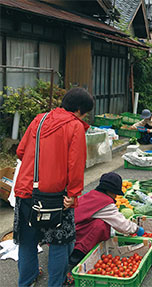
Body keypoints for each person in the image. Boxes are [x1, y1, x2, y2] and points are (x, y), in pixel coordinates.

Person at [13, 87, 94, 286]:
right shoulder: (74, 126)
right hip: (56, 195)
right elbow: (75, 165)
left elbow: (21, 151)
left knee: (27, 240)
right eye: (86, 113)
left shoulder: (38, 120)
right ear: (78, 110)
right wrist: (74, 194)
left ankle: (26, 282)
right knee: (60, 241)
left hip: (25, 190)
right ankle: (55, 284)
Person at [69, 172, 144, 268]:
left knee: (100, 222)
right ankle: (78, 253)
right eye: (115, 194)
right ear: (110, 192)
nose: (116, 196)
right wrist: (137, 229)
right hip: (74, 234)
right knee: (101, 225)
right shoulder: (105, 203)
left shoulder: (92, 194)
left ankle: (75, 249)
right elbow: (122, 224)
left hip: (69, 230)